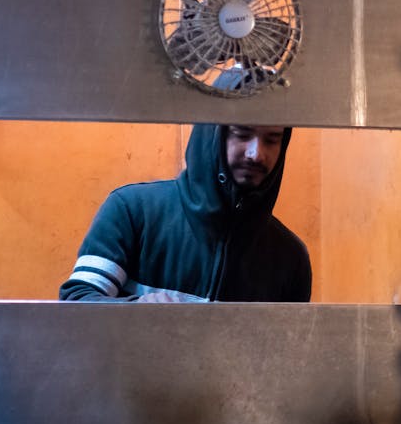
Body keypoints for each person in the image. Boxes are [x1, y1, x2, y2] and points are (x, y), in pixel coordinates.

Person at [59, 124, 311, 302]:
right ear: (211, 134)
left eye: (272, 139)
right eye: (241, 134)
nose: (256, 153)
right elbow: (77, 301)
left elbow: (292, 353)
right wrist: (138, 311)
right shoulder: (131, 209)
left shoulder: (291, 256)